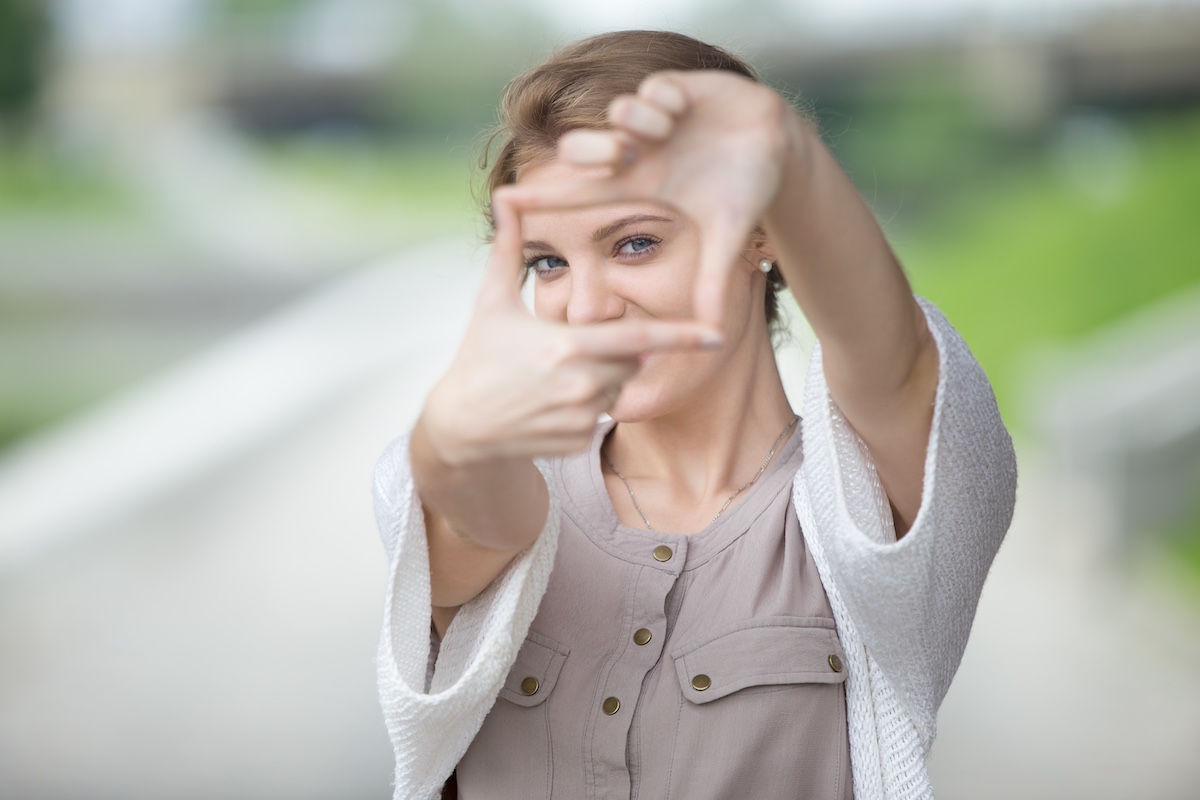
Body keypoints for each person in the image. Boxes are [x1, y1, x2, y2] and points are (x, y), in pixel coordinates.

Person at [373, 30, 1016, 800]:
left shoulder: (866, 506)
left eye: (635, 243)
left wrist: (786, 154)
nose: (586, 306)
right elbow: (478, 510)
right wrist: (448, 435)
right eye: (549, 261)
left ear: (761, 233)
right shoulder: (517, 483)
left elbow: (898, 363)